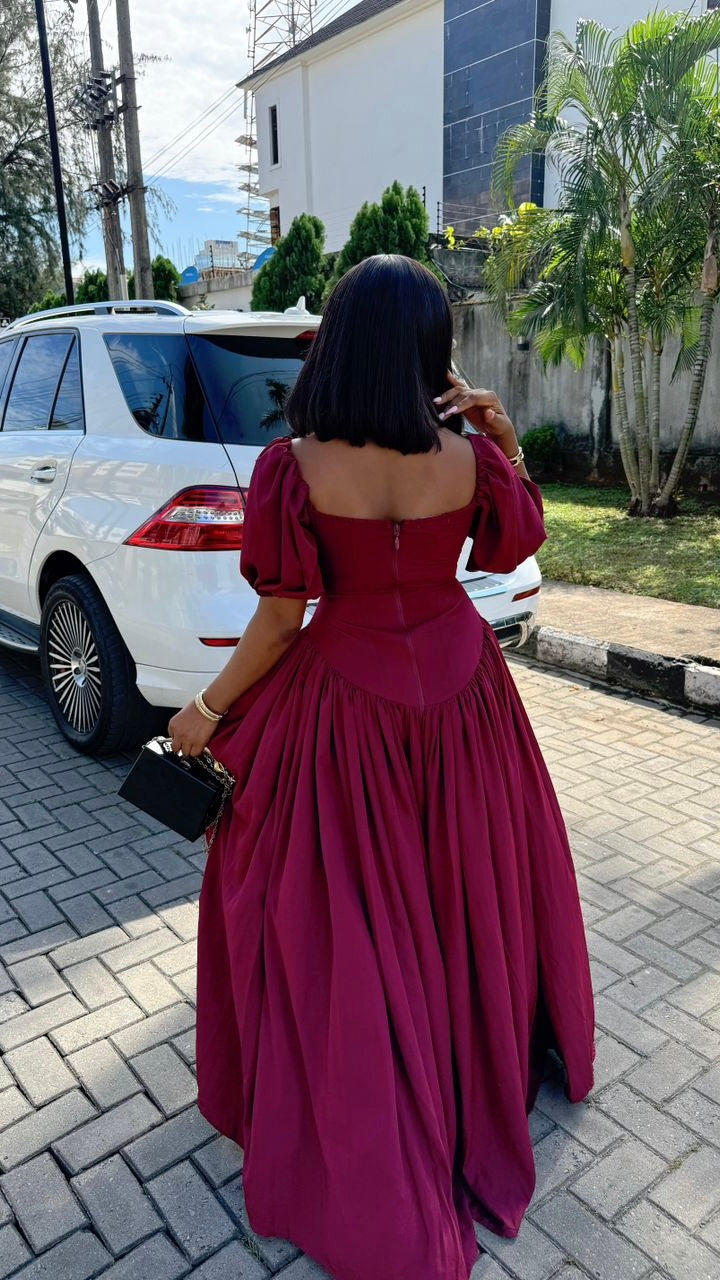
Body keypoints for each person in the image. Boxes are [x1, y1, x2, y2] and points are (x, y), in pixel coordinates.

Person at [168, 255, 596, 1280]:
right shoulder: (469, 458)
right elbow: (512, 547)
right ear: (429, 350)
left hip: (345, 700)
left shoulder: (293, 465)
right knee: (469, 883)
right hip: (463, 691)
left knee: (340, 903)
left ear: (342, 340)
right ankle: (471, 1059)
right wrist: (502, 441)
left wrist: (205, 711)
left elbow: (283, 617)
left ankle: (375, 1095)